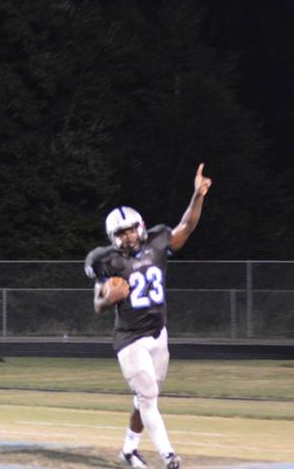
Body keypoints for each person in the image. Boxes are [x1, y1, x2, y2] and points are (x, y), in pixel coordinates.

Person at [84, 163, 212, 469]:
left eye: (131, 229)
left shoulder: (157, 241)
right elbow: (97, 305)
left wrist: (197, 195)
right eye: (122, 232)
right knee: (149, 396)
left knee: (145, 398)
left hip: (158, 333)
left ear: (141, 226)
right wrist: (108, 296)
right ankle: (169, 455)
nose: (129, 236)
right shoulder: (108, 260)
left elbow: (187, 226)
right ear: (113, 237)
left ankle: (129, 449)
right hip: (130, 339)